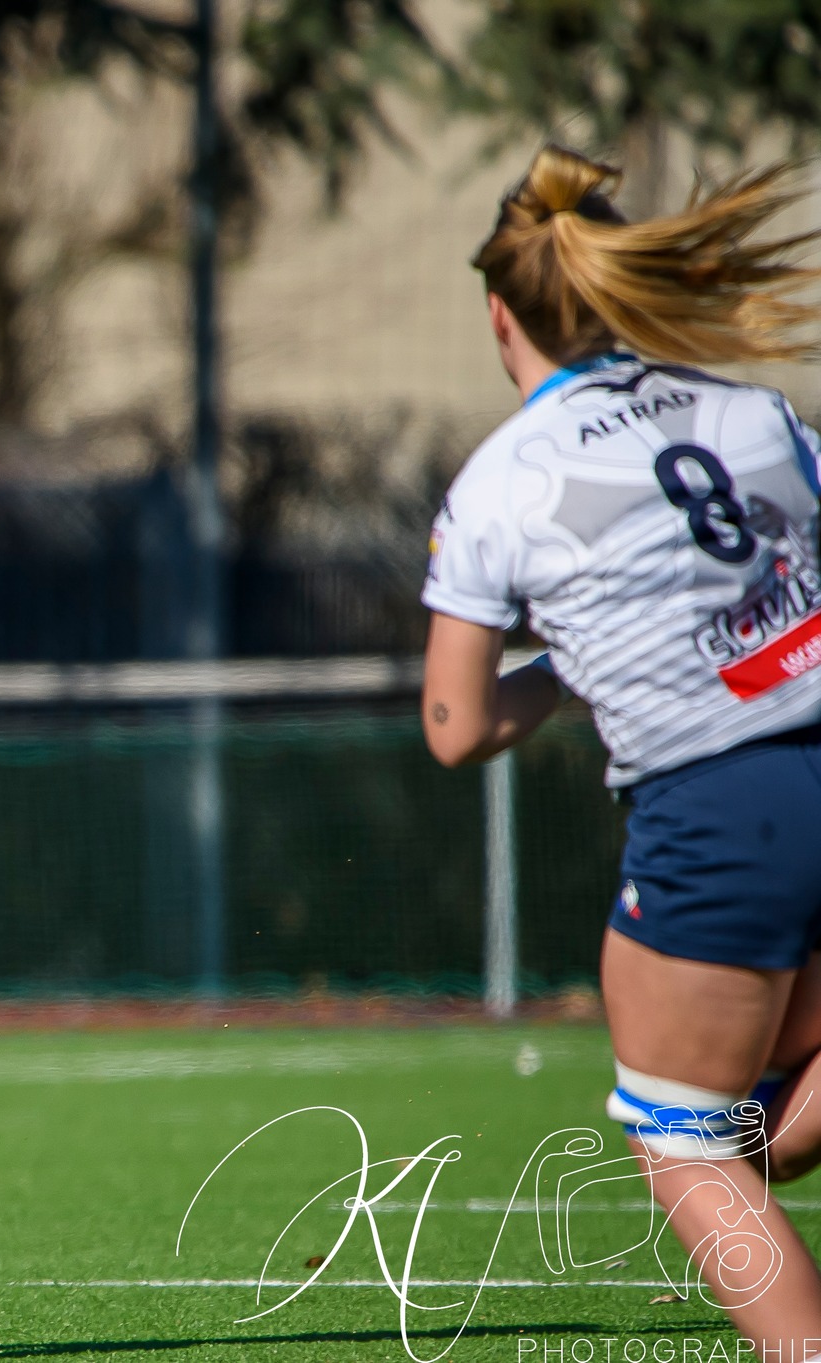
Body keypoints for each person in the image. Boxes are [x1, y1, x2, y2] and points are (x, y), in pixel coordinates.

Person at [422, 144, 821, 1355]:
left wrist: (558, 669)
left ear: (502, 316)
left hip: (721, 811)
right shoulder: (757, 413)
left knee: (684, 1142)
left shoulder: (501, 483)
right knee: (762, 1117)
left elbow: (454, 727)